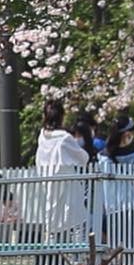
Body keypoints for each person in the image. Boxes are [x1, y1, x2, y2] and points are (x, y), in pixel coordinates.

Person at [34, 98, 90, 241]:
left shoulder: (42, 136)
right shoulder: (65, 138)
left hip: (49, 181)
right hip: (67, 183)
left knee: (52, 220)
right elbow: (83, 158)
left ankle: (50, 255)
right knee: (76, 222)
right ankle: (79, 258)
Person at [98, 112, 134, 249]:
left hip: (109, 204)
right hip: (130, 203)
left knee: (113, 241)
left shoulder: (102, 156)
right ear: (126, 134)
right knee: (129, 241)